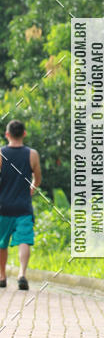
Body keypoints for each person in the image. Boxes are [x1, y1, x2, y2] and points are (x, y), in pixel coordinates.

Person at [0, 120, 42, 291]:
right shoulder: (32, 154)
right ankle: (22, 274)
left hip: (3, 207)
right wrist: (32, 187)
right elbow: (38, 177)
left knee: (1, 243)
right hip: (23, 207)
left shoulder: (1, 153)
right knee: (24, 240)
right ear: (24, 133)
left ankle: (2, 276)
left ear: (7, 134)